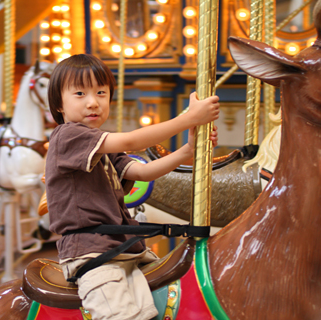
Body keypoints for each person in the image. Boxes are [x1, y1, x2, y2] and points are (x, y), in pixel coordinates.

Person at [45, 54, 220, 320]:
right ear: (59, 104)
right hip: (89, 253)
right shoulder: (68, 136)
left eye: (101, 93)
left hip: (124, 249)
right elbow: (131, 141)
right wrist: (187, 119)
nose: (93, 102)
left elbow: (145, 172)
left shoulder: (100, 145)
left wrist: (188, 150)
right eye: (80, 93)